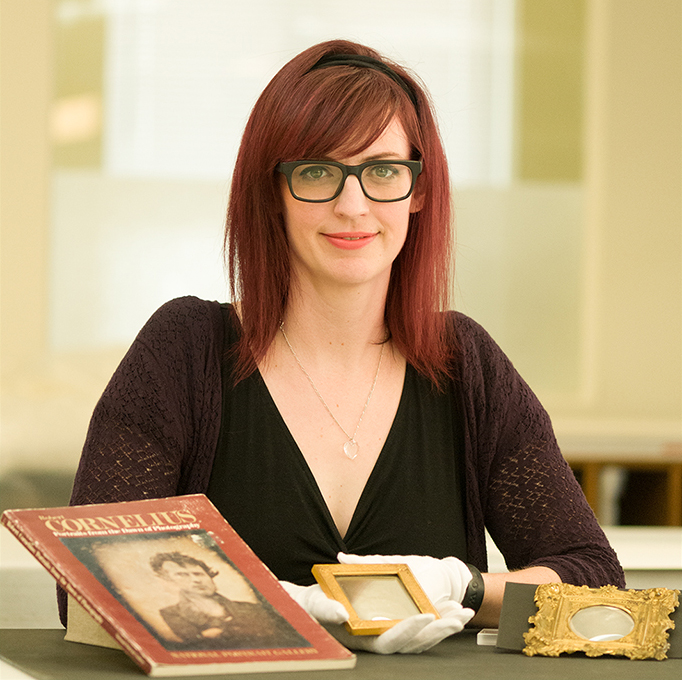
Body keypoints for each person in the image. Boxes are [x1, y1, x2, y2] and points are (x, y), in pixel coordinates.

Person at [61, 39, 624, 654]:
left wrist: (461, 588)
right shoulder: (184, 351)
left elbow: (593, 580)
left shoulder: (466, 364)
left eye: (382, 170)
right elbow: (87, 587)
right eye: (317, 171)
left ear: (419, 191)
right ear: (271, 191)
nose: (351, 205)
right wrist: (300, 606)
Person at [149, 552, 306, 649]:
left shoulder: (252, 608)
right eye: (182, 575)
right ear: (170, 581)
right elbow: (196, 645)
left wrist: (217, 632)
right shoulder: (170, 613)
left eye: (198, 574)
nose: (195, 580)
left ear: (210, 576)